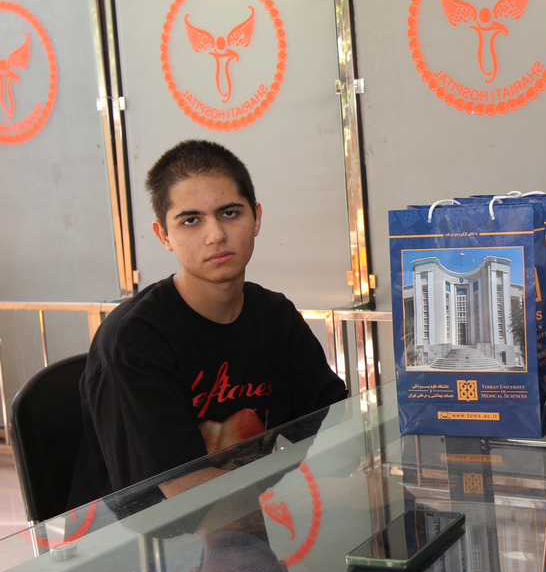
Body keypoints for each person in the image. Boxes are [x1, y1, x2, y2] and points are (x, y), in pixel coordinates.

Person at [69, 139, 347, 509]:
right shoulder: (133, 341)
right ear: (164, 236)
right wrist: (317, 498)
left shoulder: (274, 315)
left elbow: (334, 422)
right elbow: (185, 491)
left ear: (256, 217)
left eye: (230, 213)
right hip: (147, 534)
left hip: (247, 515)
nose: (215, 235)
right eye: (191, 220)